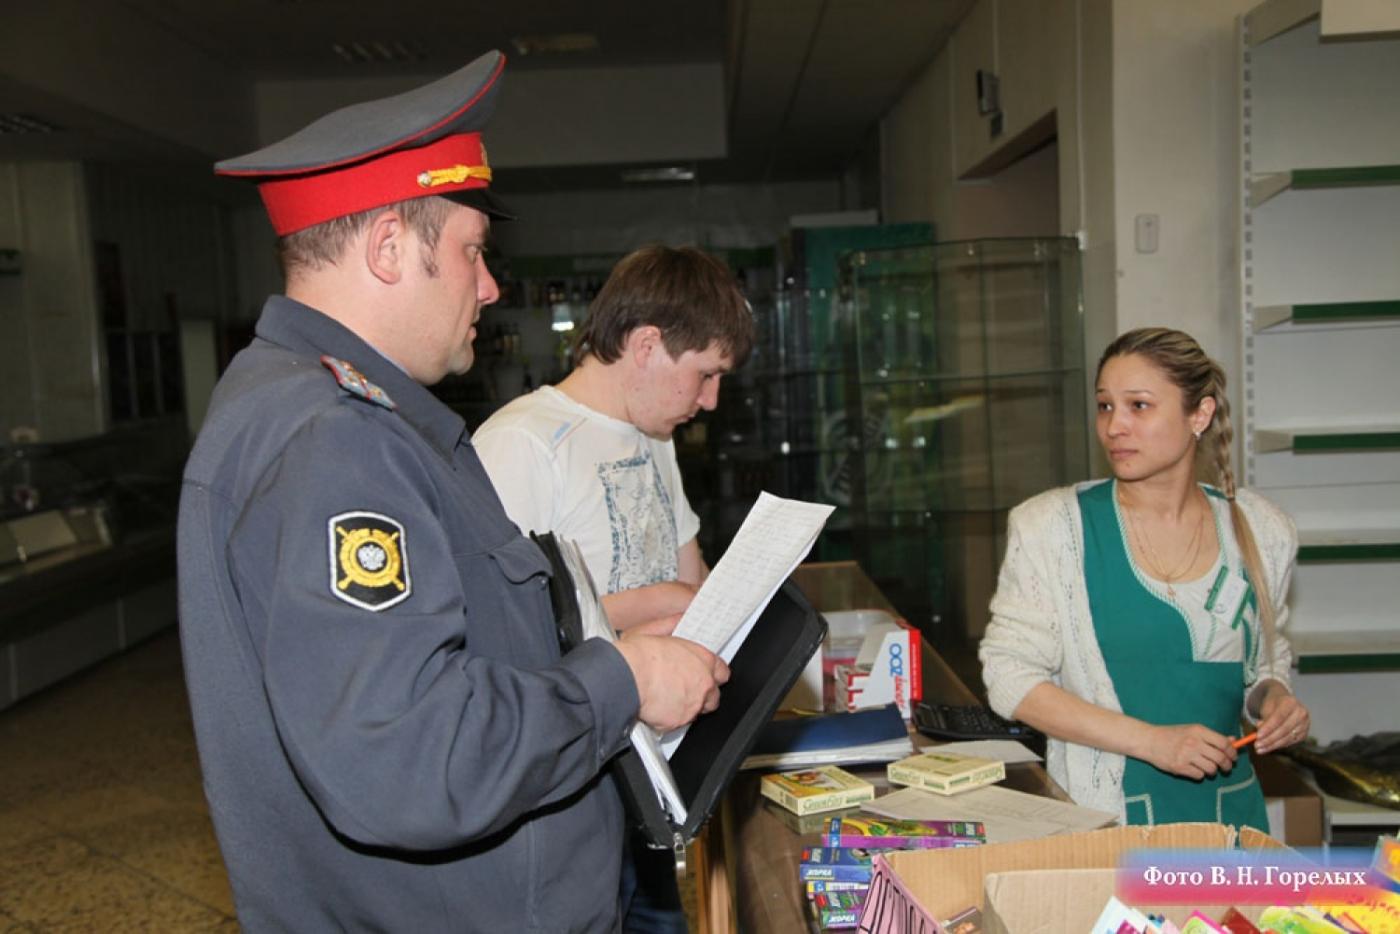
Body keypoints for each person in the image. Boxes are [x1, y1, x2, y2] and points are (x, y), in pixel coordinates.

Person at [177, 50, 728, 932]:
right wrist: (615, 681)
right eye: (472, 252)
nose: (490, 285)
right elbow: (406, 756)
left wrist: (600, 641)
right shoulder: (334, 442)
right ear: (390, 248)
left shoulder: (325, 412)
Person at [472, 244, 753, 932]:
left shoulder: (653, 433)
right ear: (648, 345)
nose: (711, 401)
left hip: (650, 766)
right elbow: (514, 636)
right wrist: (657, 603)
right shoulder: (522, 446)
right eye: (705, 375)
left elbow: (693, 582)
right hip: (571, 782)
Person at [979, 327, 1310, 829]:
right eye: (1106, 406)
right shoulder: (1053, 528)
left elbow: (1258, 664)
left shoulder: (1263, 531)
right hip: (1107, 820)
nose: (1115, 427)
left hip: (1232, 823)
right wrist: (1152, 741)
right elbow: (1010, 679)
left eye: (1139, 406)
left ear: (1198, 415)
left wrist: (1274, 698)